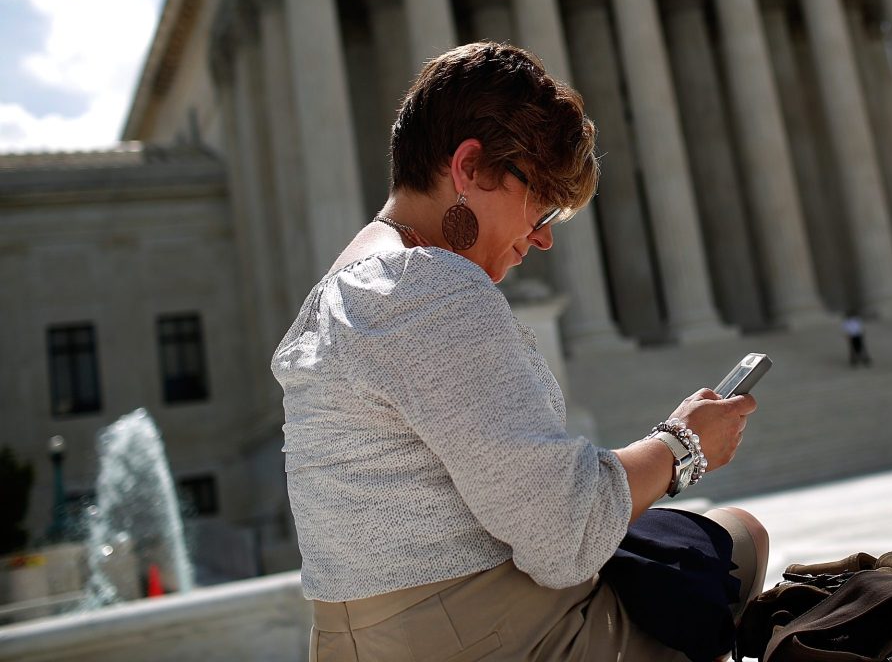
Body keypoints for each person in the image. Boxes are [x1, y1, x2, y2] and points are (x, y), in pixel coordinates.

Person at [273, 42, 768, 662]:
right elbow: (564, 533)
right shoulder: (430, 287)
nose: (541, 238)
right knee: (736, 543)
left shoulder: (349, 282)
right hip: (483, 636)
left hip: (358, 639)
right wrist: (682, 447)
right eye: (541, 201)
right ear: (471, 168)